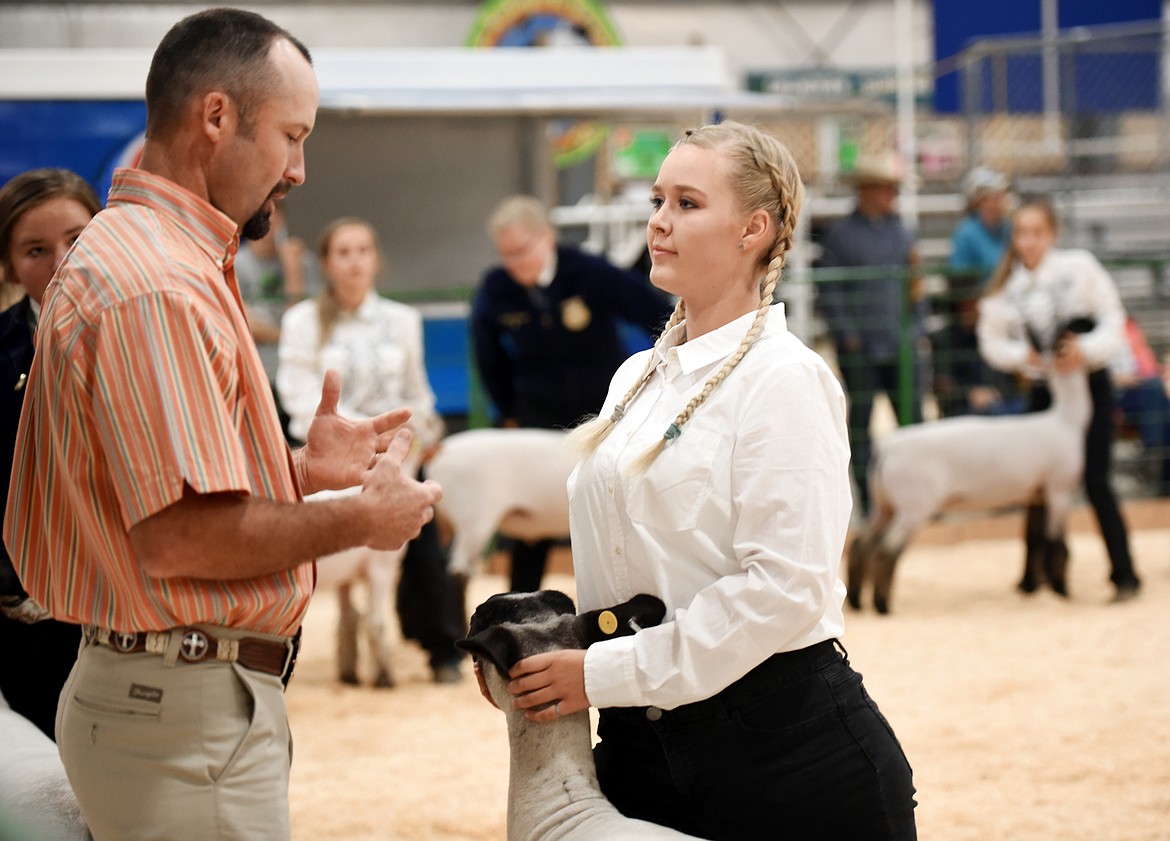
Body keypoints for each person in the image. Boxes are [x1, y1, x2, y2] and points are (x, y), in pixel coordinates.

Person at [2, 10, 442, 841]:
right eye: (291, 135)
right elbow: (181, 538)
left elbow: (139, 480)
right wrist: (361, 518)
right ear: (216, 117)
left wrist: (298, 473)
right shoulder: (158, 283)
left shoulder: (149, 254)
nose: (300, 169)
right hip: (180, 708)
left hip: (177, 699)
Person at [485, 121, 917, 840]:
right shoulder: (635, 376)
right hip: (640, 757)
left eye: (687, 203)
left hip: (791, 764)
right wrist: (545, 653)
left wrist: (600, 674)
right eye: (659, 200)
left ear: (753, 228)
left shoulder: (786, 379)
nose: (658, 221)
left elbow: (785, 588)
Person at [277, 216, 465, 683]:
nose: (355, 260)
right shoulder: (301, 322)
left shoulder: (403, 320)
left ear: (376, 260)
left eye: (363, 250)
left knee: (420, 543)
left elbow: (417, 392)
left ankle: (443, 651)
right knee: (306, 553)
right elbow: (297, 395)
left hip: (398, 456)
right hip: (328, 464)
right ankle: (290, 653)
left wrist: (419, 432)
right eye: (343, 252)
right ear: (326, 263)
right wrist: (358, 440)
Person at [471, 194, 674, 592]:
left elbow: (655, 311)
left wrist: (655, 375)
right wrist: (507, 411)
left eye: (521, 251)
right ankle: (521, 605)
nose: (514, 264)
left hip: (602, 410)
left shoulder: (589, 272)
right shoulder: (496, 289)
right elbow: (488, 354)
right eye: (505, 255)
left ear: (545, 238)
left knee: (611, 501)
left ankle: (625, 595)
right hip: (537, 412)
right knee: (531, 523)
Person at [977, 196, 1142, 602]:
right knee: (1033, 481)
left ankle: (1124, 575)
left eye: (1037, 233)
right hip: (1043, 392)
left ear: (1053, 234)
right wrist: (1024, 357)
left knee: (1096, 477)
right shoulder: (1006, 289)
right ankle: (1035, 575)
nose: (1028, 242)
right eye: (1021, 233)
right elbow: (992, 342)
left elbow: (1113, 318)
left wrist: (1085, 350)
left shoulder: (1079, 268)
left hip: (1090, 387)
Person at [0, 168, 100, 740]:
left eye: (77, 240)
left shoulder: (149, 335)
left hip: (128, 615)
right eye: (36, 250)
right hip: (24, 621)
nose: (61, 261)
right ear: (11, 264)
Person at [816, 149, 923, 516]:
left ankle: (915, 495)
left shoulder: (901, 232)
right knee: (861, 423)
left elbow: (916, 286)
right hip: (862, 346)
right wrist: (848, 335)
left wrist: (915, 327)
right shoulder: (841, 236)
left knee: (911, 418)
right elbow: (830, 291)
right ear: (866, 190)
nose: (890, 195)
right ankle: (865, 499)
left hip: (898, 343)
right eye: (884, 188)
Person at [934, 165, 1025, 417]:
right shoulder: (967, 234)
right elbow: (960, 283)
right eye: (990, 197)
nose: (997, 202)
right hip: (977, 317)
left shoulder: (1008, 229)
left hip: (1007, 312)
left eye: (999, 196)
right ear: (977, 201)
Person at [234, 202, 320, 383]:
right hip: (253, 369)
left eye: (273, 214)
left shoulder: (302, 262)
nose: (270, 221)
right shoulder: (234, 264)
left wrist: (293, 271)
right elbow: (247, 327)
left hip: (298, 370)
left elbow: (306, 320)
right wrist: (289, 335)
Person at [1110, 315, 1170, 496]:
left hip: (1141, 390)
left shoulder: (1131, 328)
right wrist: (1122, 379)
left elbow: (1149, 368)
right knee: (1155, 393)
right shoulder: (1100, 335)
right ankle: (1156, 458)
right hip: (1115, 393)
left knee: (1159, 398)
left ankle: (1156, 463)